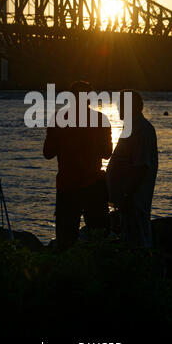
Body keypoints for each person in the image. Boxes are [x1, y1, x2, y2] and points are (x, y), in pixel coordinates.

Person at [43, 81, 113, 249]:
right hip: (94, 185)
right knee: (98, 237)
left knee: (66, 238)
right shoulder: (100, 119)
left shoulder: (59, 119)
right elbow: (107, 153)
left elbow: (48, 154)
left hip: (67, 185)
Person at [106, 90, 158, 248]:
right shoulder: (131, 127)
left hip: (134, 198)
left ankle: (142, 268)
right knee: (129, 236)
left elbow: (141, 167)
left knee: (137, 238)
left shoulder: (141, 130)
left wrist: (127, 194)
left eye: (121, 105)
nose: (118, 109)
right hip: (127, 197)